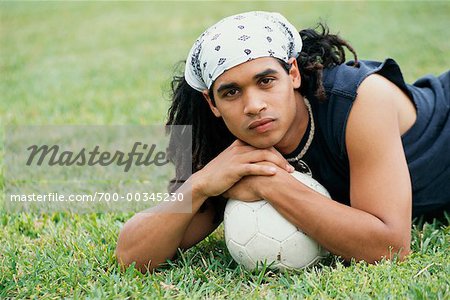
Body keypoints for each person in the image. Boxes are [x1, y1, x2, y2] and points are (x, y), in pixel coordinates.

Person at [116, 11, 450, 273]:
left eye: (266, 80)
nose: (253, 105)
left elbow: (390, 248)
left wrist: (269, 183)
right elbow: (132, 257)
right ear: (212, 104)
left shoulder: (360, 100)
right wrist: (201, 184)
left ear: (292, 73)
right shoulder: (220, 144)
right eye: (231, 92)